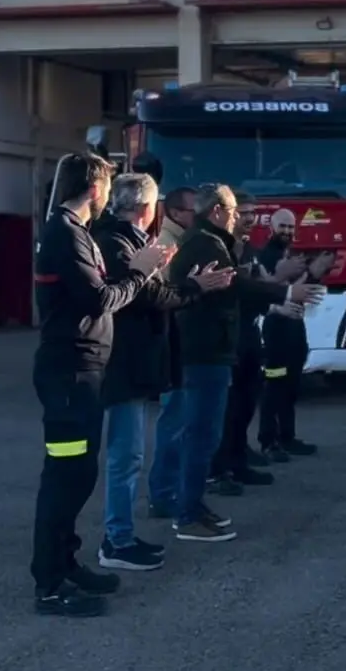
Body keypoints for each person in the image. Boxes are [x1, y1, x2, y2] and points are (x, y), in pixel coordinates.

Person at [31, 153, 171, 617]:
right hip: (70, 372)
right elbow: (100, 299)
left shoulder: (75, 232)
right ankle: (50, 584)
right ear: (95, 189)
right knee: (65, 479)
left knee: (80, 475)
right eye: (107, 187)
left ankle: (66, 564)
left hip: (84, 372)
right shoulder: (67, 235)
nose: (109, 196)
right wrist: (142, 269)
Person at [92, 174, 234, 572]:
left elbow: (152, 290)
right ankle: (116, 540)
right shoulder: (117, 242)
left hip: (133, 363)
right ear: (148, 208)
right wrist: (197, 286)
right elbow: (148, 295)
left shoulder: (128, 241)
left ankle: (121, 534)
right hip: (123, 363)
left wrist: (182, 282)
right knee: (125, 457)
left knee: (131, 454)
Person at [167, 184, 323, 543]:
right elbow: (238, 286)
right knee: (201, 435)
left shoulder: (210, 241)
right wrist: (285, 291)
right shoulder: (206, 243)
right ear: (218, 211)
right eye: (235, 210)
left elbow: (235, 285)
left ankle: (194, 505)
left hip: (213, 349)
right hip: (205, 352)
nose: (240, 217)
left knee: (207, 433)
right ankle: (188, 514)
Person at [208, 192, 280, 493]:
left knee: (248, 400)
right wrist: (279, 290)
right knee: (228, 408)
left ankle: (239, 461)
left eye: (253, 213)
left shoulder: (251, 249)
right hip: (228, 337)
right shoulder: (223, 248)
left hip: (250, 333)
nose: (249, 219)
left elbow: (256, 289)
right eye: (244, 213)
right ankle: (219, 470)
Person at [256, 208, 335, 462]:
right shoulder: (267, 256)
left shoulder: (288, 254)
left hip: (295, 328)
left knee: (291, 385)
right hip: (277, 328)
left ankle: (287, 437)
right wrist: (291, 275)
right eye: (283, 227)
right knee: (274, 385)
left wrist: (316, 272)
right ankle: (269, 441)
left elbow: (299, 288)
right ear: (271, 227)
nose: (288, 232)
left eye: (291, 227)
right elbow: (269, 288)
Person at [147, 186, 197, 520]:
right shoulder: (168, 246)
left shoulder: (181, 242)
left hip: (180, 346)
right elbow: (162, 298)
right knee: (174, 423)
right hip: (174, 347)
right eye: (195, 210)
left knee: (181, 422)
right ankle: (163, 494)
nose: (201, 215)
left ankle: (171, 489)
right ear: (177, 213)